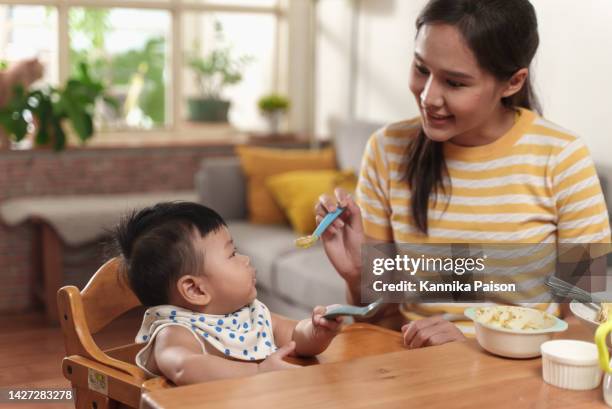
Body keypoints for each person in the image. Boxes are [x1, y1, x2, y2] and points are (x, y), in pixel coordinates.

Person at [316, 0, 611, 349]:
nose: (428, 97)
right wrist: (358, 277)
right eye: (421, 68)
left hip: (517, 379)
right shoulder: (387, 149)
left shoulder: (562, 158)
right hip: (411, 369)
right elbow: (382, 320)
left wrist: (472, 349)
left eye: (454, 83)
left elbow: (589, 323)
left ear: (512, 82)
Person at [114, 202, 342, 385]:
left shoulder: (250, 315)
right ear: (195, 289)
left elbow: (294, 338)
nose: (246, 259)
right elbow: (183, 366)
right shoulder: (176, 332)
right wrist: (258, 371)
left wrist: (316, 331)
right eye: (232, 254)